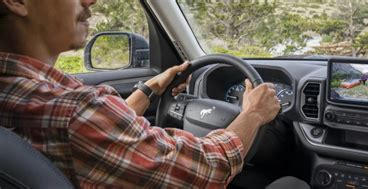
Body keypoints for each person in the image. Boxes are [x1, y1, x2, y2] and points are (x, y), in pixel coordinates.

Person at [0, 0, 281, 188]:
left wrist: (147, 90)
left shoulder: (26, 95)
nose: (90, 0)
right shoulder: (76, 112)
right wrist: (253, 114)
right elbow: (207, 170)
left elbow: (93, 137)